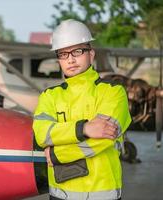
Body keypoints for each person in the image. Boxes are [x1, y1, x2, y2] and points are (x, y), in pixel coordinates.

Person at [32, 19, 132, 200]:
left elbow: (105, 139)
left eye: (77, 51)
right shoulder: (49, 96)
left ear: (91, 54)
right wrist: (84, 128)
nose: (70, 59)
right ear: (58, 60)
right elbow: (42, 134)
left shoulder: (113, 92)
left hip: (102, 194)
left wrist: (56, 154)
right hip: (60, 195)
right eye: (63, 54)